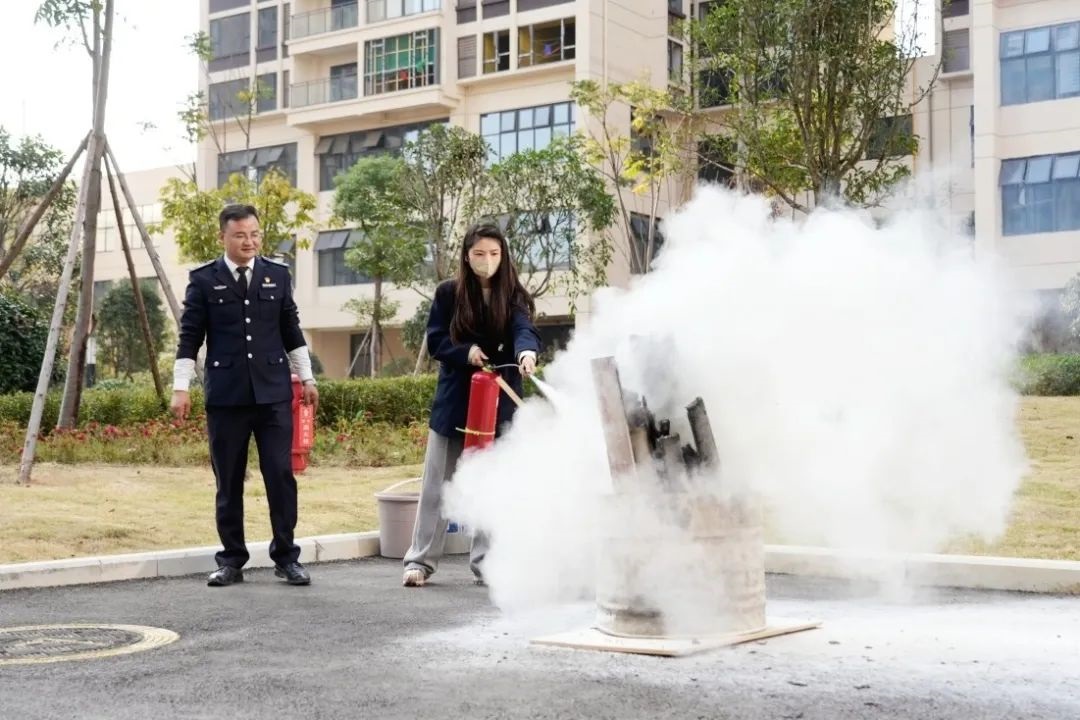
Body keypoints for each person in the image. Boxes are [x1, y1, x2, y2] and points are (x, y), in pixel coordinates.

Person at [170, 204, 318, 588]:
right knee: (229, 480)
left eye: (254, 234)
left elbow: (291, 329)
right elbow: (189, 337)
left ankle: (286, 557)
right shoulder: (203, 280)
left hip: (273, 395)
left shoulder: (278, 275)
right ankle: (231, 560)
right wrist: (181, 387)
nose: (249, 241)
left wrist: (307, 378)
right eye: (240, 235)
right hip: (227, 397)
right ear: (223, 237)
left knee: (280, 476)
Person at [402, 223, 542, 588]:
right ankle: (419, 561)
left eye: (494, 254)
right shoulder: (448, 293)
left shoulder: (514, 294)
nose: (487, 261)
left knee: (493, 485)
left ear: (504, 256)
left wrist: (527, 352)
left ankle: (487, 564)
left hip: (500, 402)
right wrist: (466, 352)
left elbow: (524, 330)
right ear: (466, 256)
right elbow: (436, 340)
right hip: (456, 401)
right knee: (437, 484)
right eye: (479, 254)